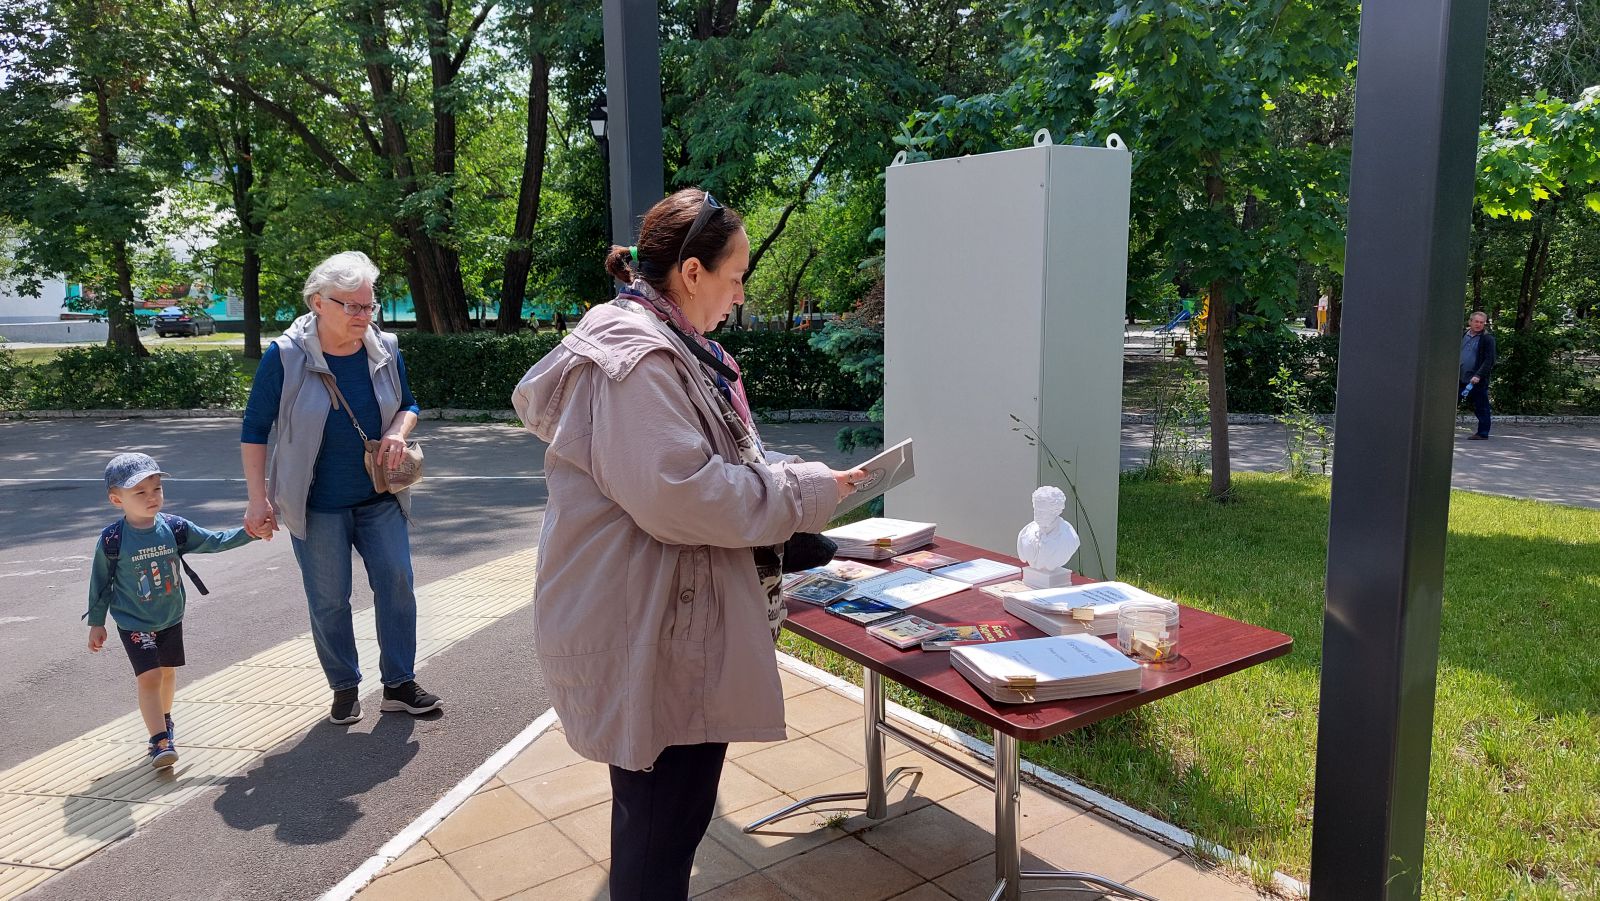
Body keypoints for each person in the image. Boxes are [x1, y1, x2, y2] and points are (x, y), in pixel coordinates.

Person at [512, 188, 864, 901]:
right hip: (654, 630)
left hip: (665, 621)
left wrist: (803, 504)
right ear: (692, 272)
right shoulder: (640, 359)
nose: (740, 295)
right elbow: (684, 494)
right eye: (735, 277)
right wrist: (804, 491)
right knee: (658, 836)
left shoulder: (670, 345)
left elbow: (709, 470)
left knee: (663, 825)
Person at [240, 251, 441, 725]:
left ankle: (399, 684)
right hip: (317, 506)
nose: (363, 315)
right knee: (330, 600)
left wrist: (398, 432)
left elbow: (409, 404)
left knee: (397, 583)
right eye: (351, 305)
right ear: (318, 303)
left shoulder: (385, 347)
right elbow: (254, 429)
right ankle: (345, 687)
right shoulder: (285, 356)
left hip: (379, 496)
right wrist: (257, 500)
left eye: (369, 305)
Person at [86, 453, 255, 767]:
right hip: (134, 622)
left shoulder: (175, 528)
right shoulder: (112, 540)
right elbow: (100, 583)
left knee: (166, 673)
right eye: (140, 491)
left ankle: (165, 720)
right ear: (116, 499)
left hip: (170, 618)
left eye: (157, 489)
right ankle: (159, 740)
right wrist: (97, 622)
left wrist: (251, 532)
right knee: (149, 677)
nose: (152, 496)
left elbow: (214, 541)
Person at [1459, 310, 1496, 440]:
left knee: (1481, 406)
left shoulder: (1487, 339)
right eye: (1476, 321)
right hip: (1458, 377)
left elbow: (1489, 360)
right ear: (1470, 322)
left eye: (1481, 322)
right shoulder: (1462, 335)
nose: (1478, 324)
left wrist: (1478, 375)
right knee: (1449, 404)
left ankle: (1483, 433)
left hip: (1476, 379)